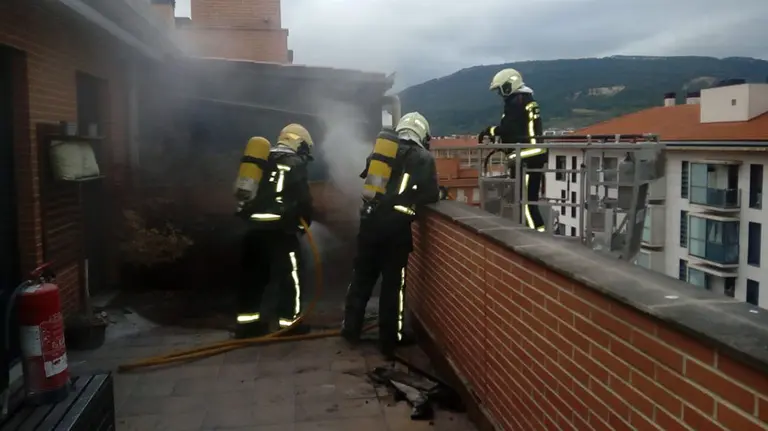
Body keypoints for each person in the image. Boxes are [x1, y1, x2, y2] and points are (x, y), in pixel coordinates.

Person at [341, 112, 440, 357]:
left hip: (369, 222)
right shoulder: (423, 157)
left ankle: (350, 329)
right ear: (421, 134)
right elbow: (431, 194)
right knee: (393, 285)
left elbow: (369, 178)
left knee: (362, 278)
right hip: (395, 230)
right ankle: (390, 338)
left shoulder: (382, 151)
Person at [234, 124, 314, 339]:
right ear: (300, 143)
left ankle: (246, 325)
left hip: (253, 231)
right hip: (281, 232)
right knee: (291, 278)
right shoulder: (295, 164)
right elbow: (303, 202)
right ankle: (290, 324)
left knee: (252, 277)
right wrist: (302, 224)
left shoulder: (260, 160)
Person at [478, 68, 546, 232]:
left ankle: (536, 237)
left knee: (525, 204)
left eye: (501, 90)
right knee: (530, 201)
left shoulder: (516, 102)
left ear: (509, 86)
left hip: (526, 158)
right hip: (533, 155)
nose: (500, 95)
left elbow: (507, 128)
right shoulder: (526, 100)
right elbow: (517, 129)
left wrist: (489, 131)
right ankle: (540, 233)